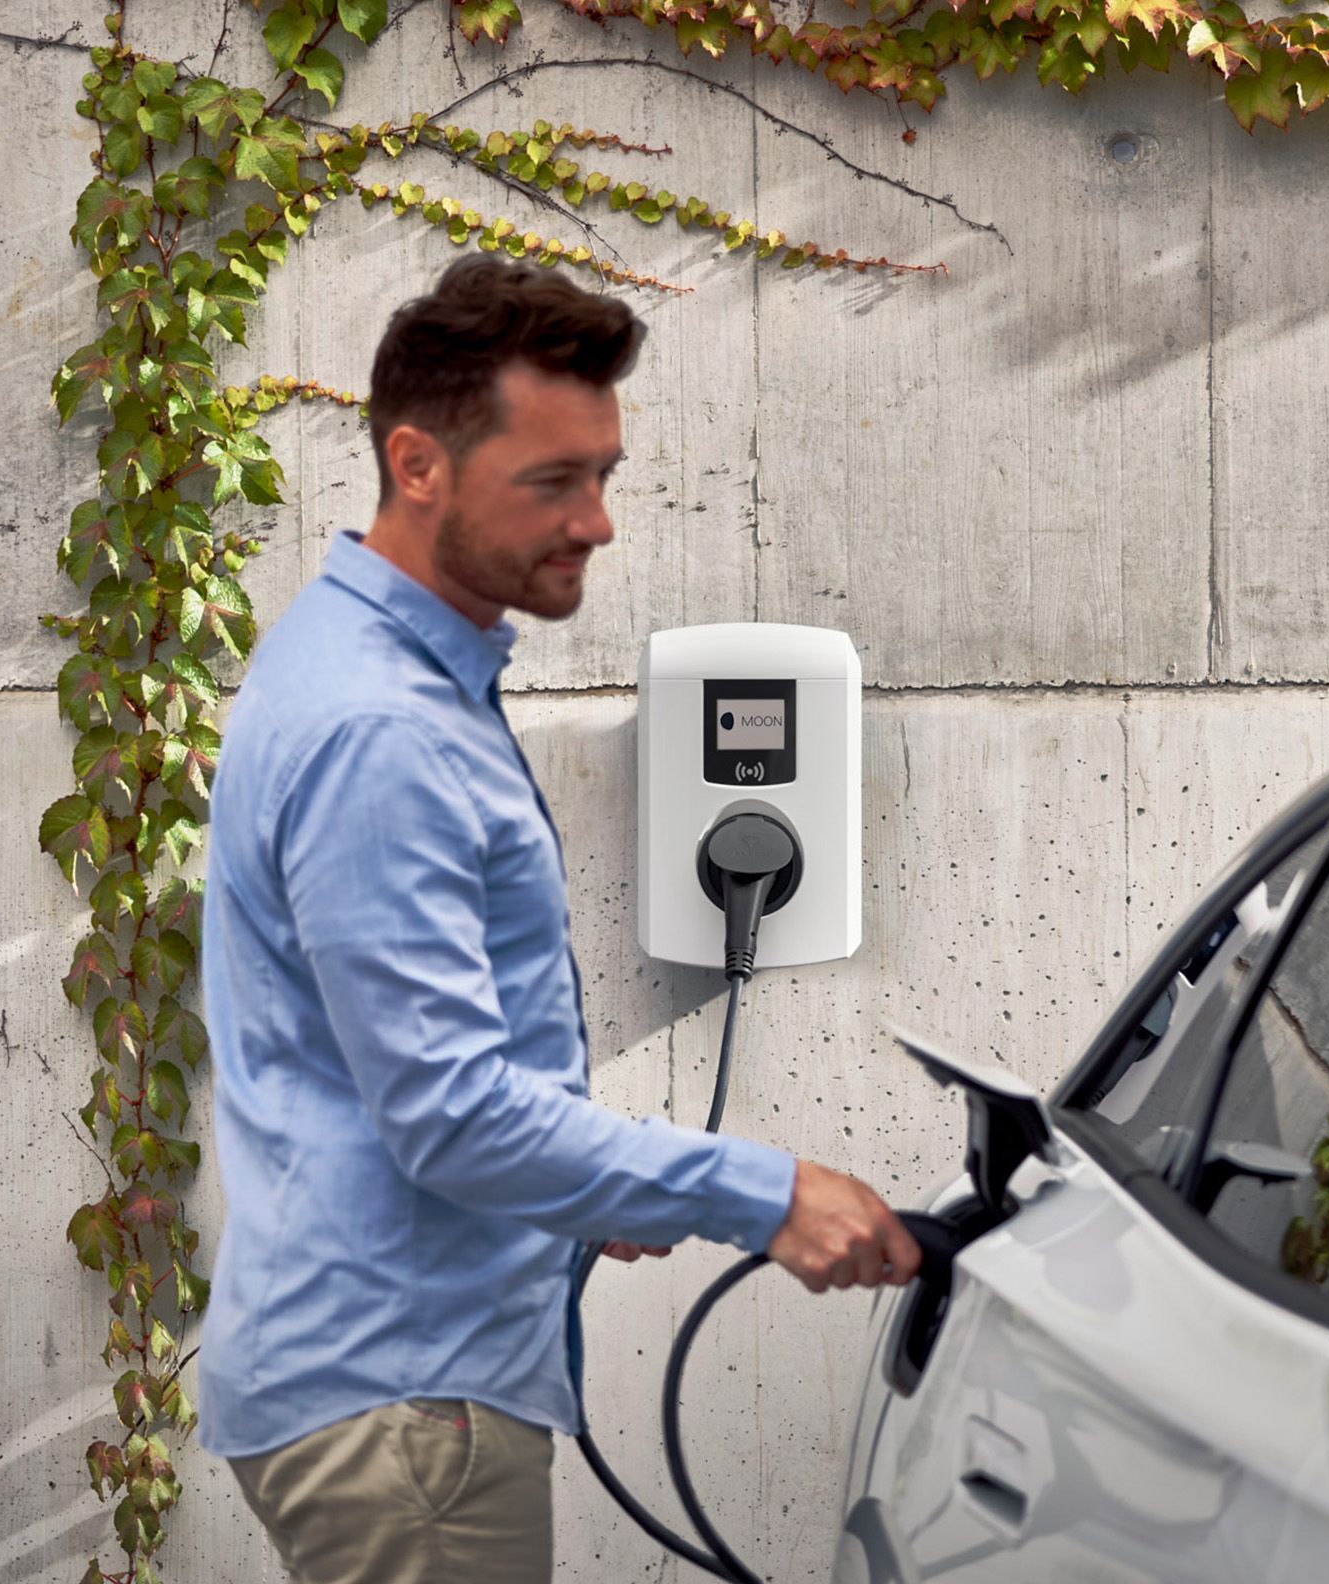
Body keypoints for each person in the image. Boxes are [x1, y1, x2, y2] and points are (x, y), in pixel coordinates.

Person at [194, 258, 921, 1584]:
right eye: (552, 482)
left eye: (605, 475)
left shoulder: (383, 671)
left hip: (388, 1378)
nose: (595, 523)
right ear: (417, 464)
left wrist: (583, 1189)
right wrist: (764, 1195)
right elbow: (451, 1113)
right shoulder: (382, 731)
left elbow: (392, 1079)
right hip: (404, 1404)